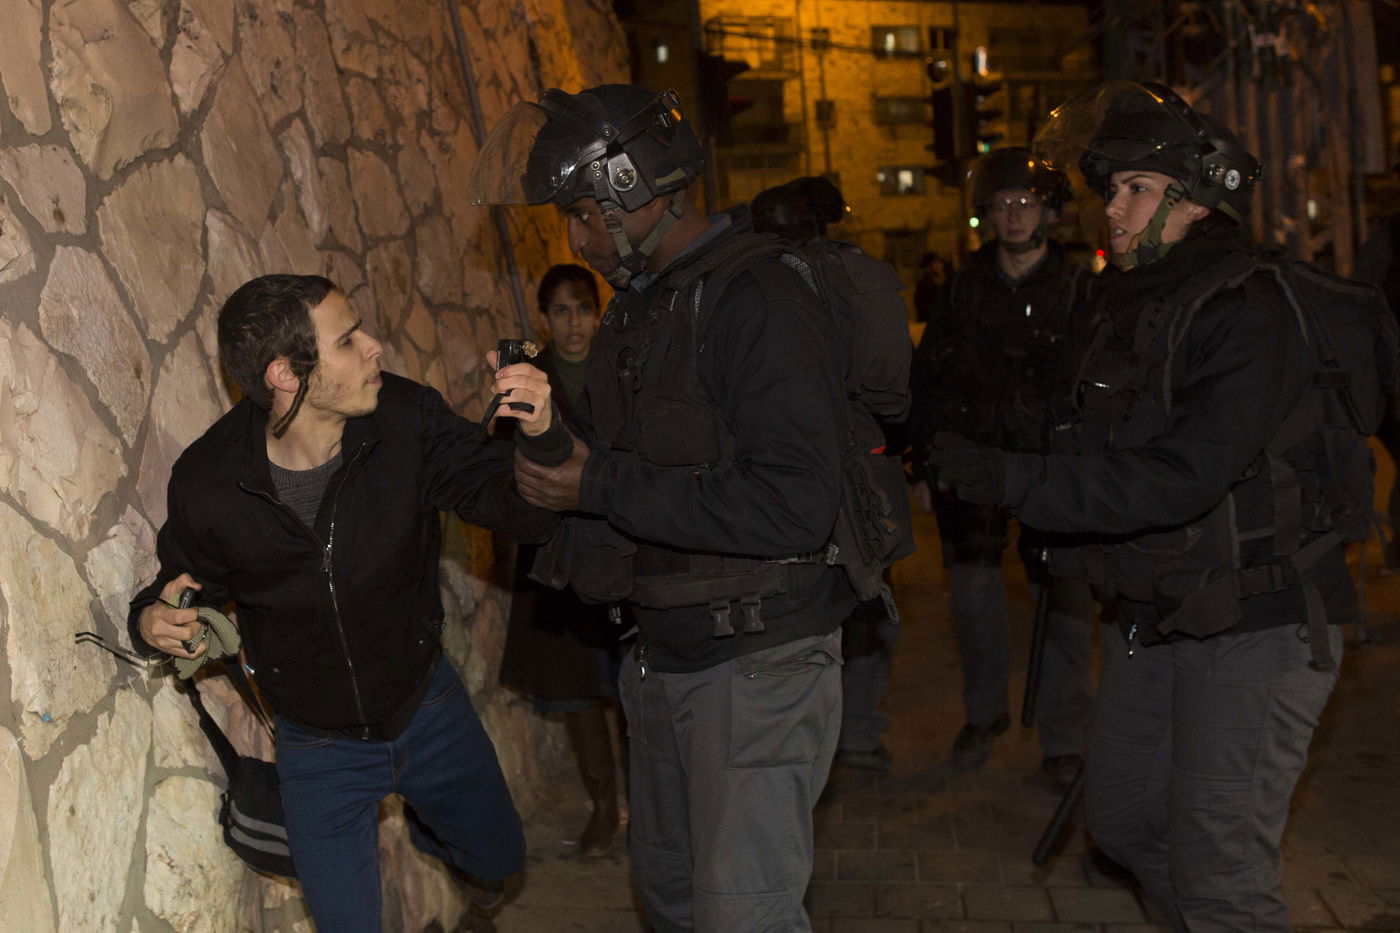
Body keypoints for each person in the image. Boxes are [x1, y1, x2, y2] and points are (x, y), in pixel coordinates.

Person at [928, 81, 1375, 930]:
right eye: (1111, 192)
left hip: (1259, 619)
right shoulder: (1135, 303)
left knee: (1219, 861)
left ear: (1199, 200)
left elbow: (1179, 475)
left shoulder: (1248, 309)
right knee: (1126, 822)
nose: (1114, 211)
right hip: (1159, 610)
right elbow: (1096, 435)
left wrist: (1013, 481)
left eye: (1135, 190)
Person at [470, 84, 854, 932]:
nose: (572, 239)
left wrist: (594, 482)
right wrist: (541, 445)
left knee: (742, 915)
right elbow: (607, 471)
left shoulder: (759, 301)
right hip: (665, 653)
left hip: (759, 659)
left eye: (578, 213)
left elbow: (793, 504)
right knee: (673, 899)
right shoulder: (642, 311)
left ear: (631, 189)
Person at [128, 274, 560, 932]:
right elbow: (184, 581)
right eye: (349, 339)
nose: (375, 347)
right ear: (284, 373)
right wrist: (152, 618)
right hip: (318, 747)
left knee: (499, 856)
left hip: (425, 705)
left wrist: (542, 437)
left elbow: (514, 507)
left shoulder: (407, 420)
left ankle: (434, 827)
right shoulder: (211, 481)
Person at [909, 147, 1095, 789]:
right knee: (974, 601)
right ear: (986, 215)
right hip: (975, 470)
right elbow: (929, 379)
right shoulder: (962, 289)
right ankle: (983, 717)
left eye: (1026, 203)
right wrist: (924, 467)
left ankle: (1065, 738)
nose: (1014, 217)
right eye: (1002, 206)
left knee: (1066, 606)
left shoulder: (1080, 292)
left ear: (1049, 211)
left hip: (1052, 472)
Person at [751, 175, 914, 774]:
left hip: (779, 474)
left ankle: (805, 744)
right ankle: (861, 736)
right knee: (869, 606)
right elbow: (894, 396)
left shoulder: (748, 284)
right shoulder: (864, 275)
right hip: (859, 468)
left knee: (800, 617)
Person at [497, 263, 627, 856]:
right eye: (560, 311)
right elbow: (505, 463)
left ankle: (649, 809)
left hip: (623, 542)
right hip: (557, 553)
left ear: (597, 312)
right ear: (544, 318)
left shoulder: (623, 365)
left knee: (633, 684)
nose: (573, 324)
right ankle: (604, 806)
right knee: (577, 687)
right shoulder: (529, 374)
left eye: (582, 309)